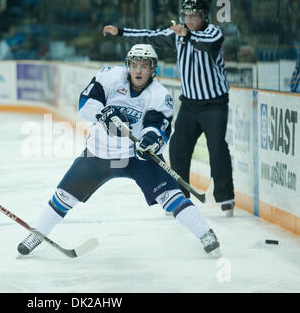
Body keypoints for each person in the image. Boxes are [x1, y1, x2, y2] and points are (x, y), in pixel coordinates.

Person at [17, 44, 221, 258]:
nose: (139, 70)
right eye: (135, 64)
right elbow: (85, 103)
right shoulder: (110, 77)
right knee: (63, 196)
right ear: (128, 65)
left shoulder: (159, 94)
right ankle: (37, 234)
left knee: (170, 196)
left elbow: (158, 126)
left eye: (145, 65)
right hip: (99, 154)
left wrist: (150, 140)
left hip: (136, 156)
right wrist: (103, 113)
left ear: (153, 69)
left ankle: (205, 233)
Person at [103, 0, 235, 217]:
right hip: (190, 104)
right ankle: (180, 195)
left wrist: (187, 34)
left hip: (214, 104)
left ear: (204, 16)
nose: (190, 19)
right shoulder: (179, 34)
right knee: (177, 148)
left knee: (217, 149)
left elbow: (206, 44)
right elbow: (150, 35)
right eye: (187, 15)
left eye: (195, 15)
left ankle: (225, 197)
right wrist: (121, 32)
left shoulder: (213, 32)